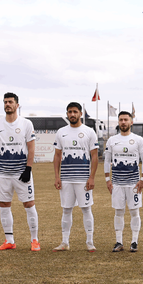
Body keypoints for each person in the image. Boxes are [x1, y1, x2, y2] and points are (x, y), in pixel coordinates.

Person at [0, 92, 39, 251]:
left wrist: (28, 168)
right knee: (4, 205)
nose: (7, 105)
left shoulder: (26, 123)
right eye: (5, 102)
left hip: (21, 173)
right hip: (3, 173)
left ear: (17, 105)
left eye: (10, 102)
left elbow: (31, 148)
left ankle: (34, 240)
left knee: (29, 204)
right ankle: (9, 240)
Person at [51, 102, 99, 252]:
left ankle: (89, 242)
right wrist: (56, 177)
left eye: (75, 112)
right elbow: (57, 155)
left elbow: (94, 156)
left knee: (86, 209)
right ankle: (65, 242)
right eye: (70, 112)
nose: (72, 114)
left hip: (83, 179)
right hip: (66, 178)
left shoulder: (89, 132)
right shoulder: (61, 132)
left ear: (80, 114)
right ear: (67, 114)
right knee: (66, 210)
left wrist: (91, 177)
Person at [105, 111, 143, 252]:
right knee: (118, 212)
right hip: (117, 183)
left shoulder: (138, 140)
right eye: (121, 120)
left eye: (126, 120)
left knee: (134, 212)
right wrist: (107, 179)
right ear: (118, 122)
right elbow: (107, 161)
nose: (123, 122)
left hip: (133, 183)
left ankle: (134, 242)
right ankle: (119, 242)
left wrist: (142, 179)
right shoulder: (112, 140)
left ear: (131, 122)